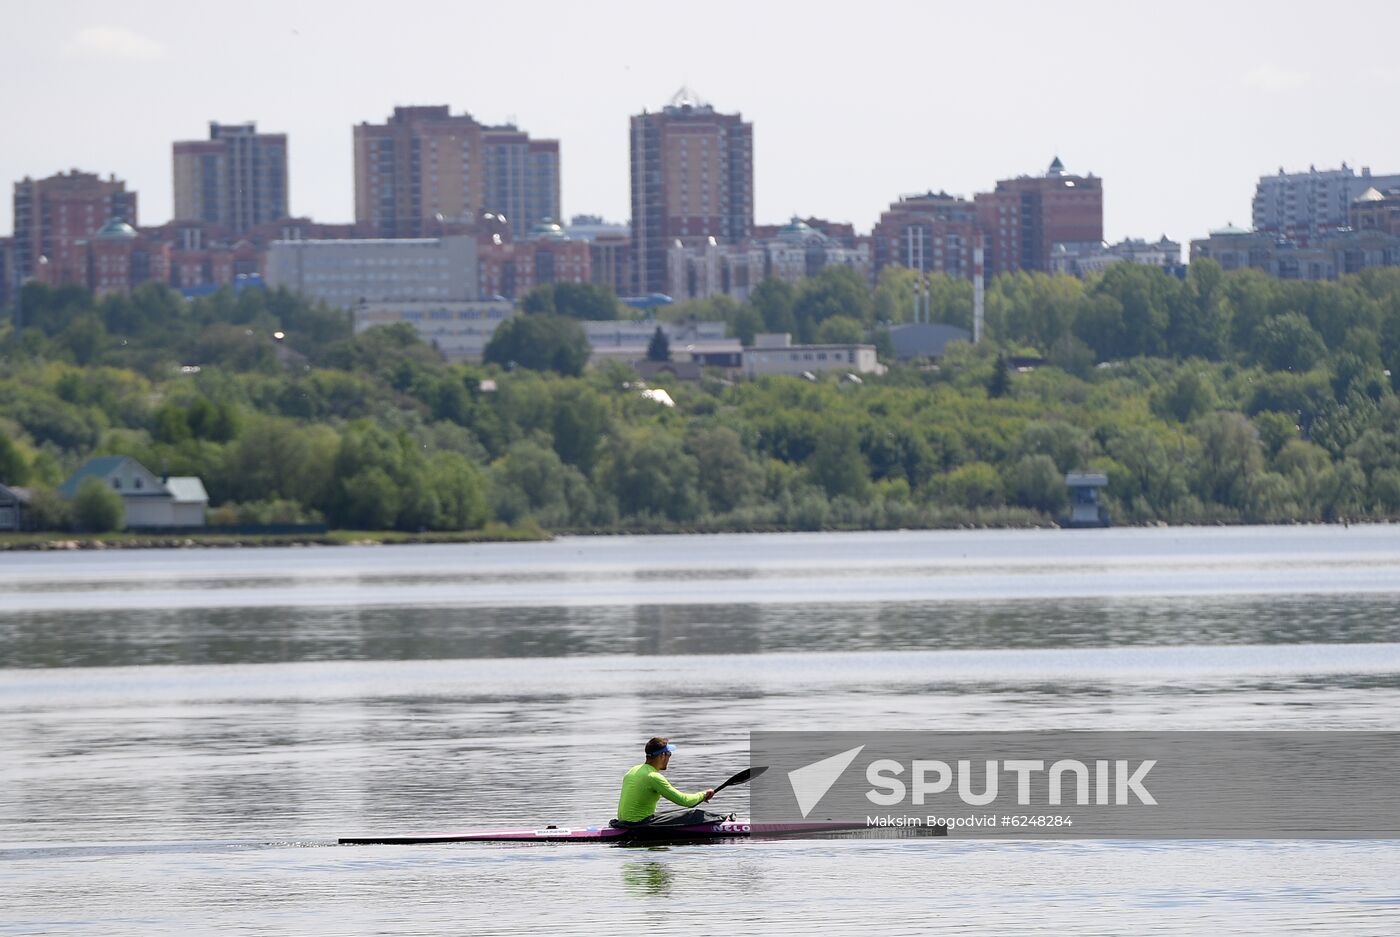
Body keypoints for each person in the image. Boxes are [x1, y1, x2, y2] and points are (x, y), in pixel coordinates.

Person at [611, 736, 718, 828]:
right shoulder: (653, 777)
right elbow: (685, 802)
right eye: (669, 754)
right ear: (662, 755)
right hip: (638, 825)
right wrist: (703, 795)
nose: (669, 757)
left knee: (674, 813)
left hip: (623, 822)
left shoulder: (633, 770)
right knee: (694, 814)